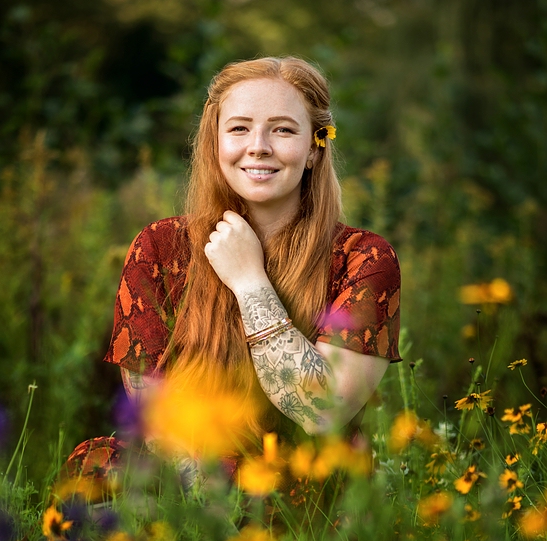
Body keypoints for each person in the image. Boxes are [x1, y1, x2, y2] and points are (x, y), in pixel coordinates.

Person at [66, 56, 401, 480]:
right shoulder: (160, 249)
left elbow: (322, 413)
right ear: (215, 143)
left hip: (303, 487)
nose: (258, 145)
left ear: (315, 149)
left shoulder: (364, 259)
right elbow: (153, 420)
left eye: (282, 129)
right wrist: (210, 500)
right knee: (97, 472)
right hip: (190, 482)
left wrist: (249, 281)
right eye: (239, 128)